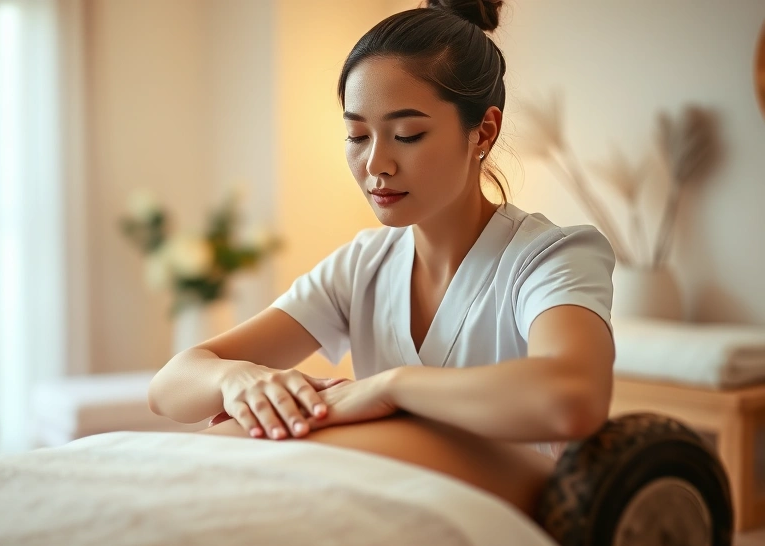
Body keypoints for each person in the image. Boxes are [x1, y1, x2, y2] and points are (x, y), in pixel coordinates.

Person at [148, 0, 615, 519]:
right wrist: (238, 380)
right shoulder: (363, 265)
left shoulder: (550, 257)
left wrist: (392, 388)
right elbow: (170, 387)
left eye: (407, 135)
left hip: (512, 522)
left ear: (483, 131)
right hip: (388, 514)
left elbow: (572, 397)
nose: (376, 164)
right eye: (357, 136)